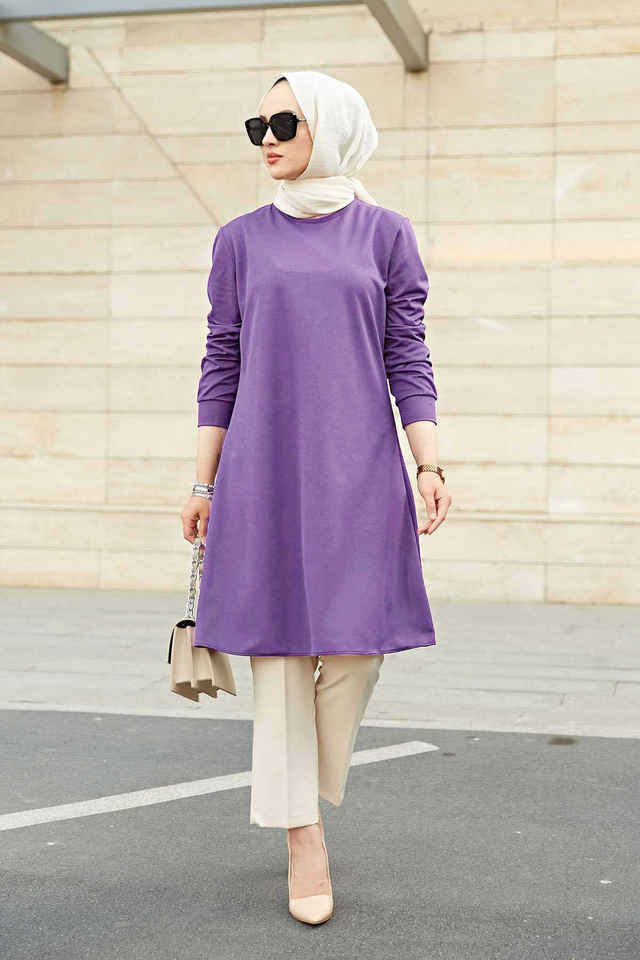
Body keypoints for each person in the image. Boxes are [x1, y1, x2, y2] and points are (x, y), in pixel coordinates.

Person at [181, 70, 452, 925]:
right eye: (257, 124)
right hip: (260, 470)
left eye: (285, 123)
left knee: (359, 646)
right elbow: (221, 359)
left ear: (331, 128)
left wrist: (430, 464)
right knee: (280, 656)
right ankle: (303, 834)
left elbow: (406, 352)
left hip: (362, 469)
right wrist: (202, 480)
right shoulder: (239, 240)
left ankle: (303, 787)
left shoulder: (385, 234)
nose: (267, 139)